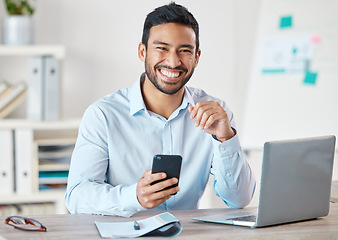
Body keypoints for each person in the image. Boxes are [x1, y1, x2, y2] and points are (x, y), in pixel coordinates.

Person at [65, 2, 256, 217]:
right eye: (162, 48)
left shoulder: (215, 115)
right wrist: (133, 197)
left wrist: (225, 138)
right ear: (142, 51)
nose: (173, 62)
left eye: (185, 51)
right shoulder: (103, 115)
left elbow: (239, 199)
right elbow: (77, 197)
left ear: (197, 58)